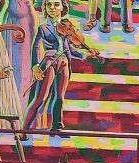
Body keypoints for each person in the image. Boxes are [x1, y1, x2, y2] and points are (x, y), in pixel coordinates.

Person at [20, 0, 102, 138]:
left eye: (56, 4)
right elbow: (35, 47)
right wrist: (35, 66)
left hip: (64, 62)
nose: (52, 8)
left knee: (59, 97)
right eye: (49, 5)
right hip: (49, 63)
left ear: (63, 7)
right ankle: (23, 130)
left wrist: (85, 54)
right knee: (40, 98)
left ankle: (57, 127)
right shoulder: (43, 28)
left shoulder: (67, 26)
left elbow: (69, 49)